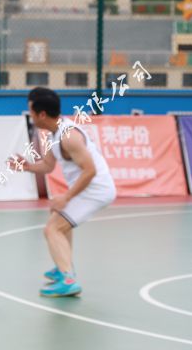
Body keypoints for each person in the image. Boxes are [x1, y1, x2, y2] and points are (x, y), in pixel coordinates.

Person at [10, 87, 116, 297]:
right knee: (59, 219)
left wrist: (66, 197)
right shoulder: (54, 134)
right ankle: (64, 267)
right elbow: (48, 166)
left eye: (31, 111)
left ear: (42, 114)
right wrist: (27, 166)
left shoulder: (69, 136)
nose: (30, 115)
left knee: (52, 229)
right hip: (88, 188)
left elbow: (90, 170)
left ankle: (68, 279)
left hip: (95, 190)